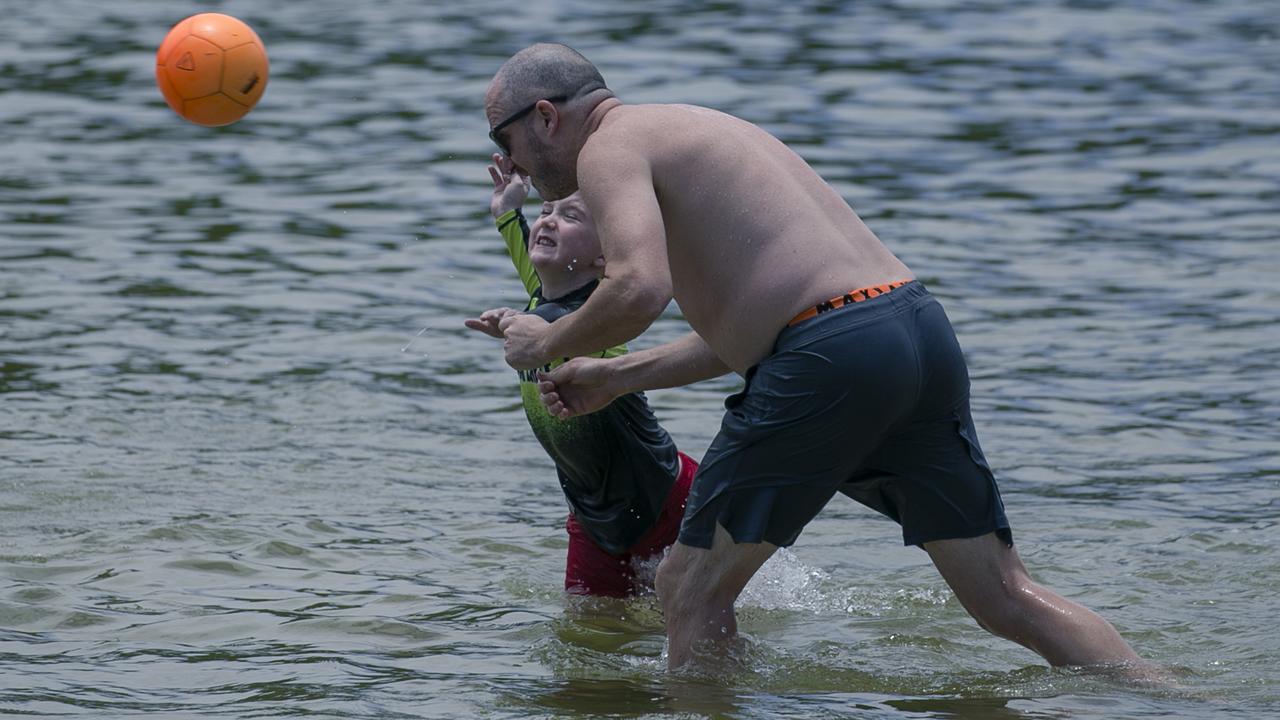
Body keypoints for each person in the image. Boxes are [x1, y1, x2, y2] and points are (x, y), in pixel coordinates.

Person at [483, 42, 1153, 674]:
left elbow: (638, 287)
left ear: (546, 116)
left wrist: (544, 342)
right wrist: (616, 374)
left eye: (502, 141)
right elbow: (759, 329)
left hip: (832, 351)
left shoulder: (610, 146)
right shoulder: (691, 126)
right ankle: (1173, 700)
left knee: (687, 589)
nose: (509, 164)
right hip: (911, 329)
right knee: (1005, 597)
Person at [464, 153, 698, 598]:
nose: (548, 221)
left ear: (603, 257)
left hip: (664, 498)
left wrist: (528, 326)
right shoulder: (542, 296)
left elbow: (563, 326)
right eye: (545, 212)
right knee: (589, 633)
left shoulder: (600, 319)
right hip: (593, 513)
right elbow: (531, 272)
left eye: (570, 216)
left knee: (685, 615)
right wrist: (507, 209)